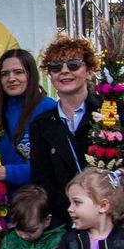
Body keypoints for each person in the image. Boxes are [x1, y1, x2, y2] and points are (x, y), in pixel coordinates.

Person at [30, 35, 101, 227]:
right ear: (50, 76)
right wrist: (74, 212)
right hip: (66, 224)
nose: (64, 71)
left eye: (73, 65)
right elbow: (42, 181)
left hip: (112, 220)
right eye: (56, 67)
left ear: (89, 71)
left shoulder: (112, 113)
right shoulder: (41, 124)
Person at [0, 50, 58, 197]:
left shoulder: (48, 109)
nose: (11, 78)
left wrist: (10, 172)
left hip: (40, 204)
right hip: (7, 206)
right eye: (5, 74)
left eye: (18, 72)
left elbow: (53, 165)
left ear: (30, 75)